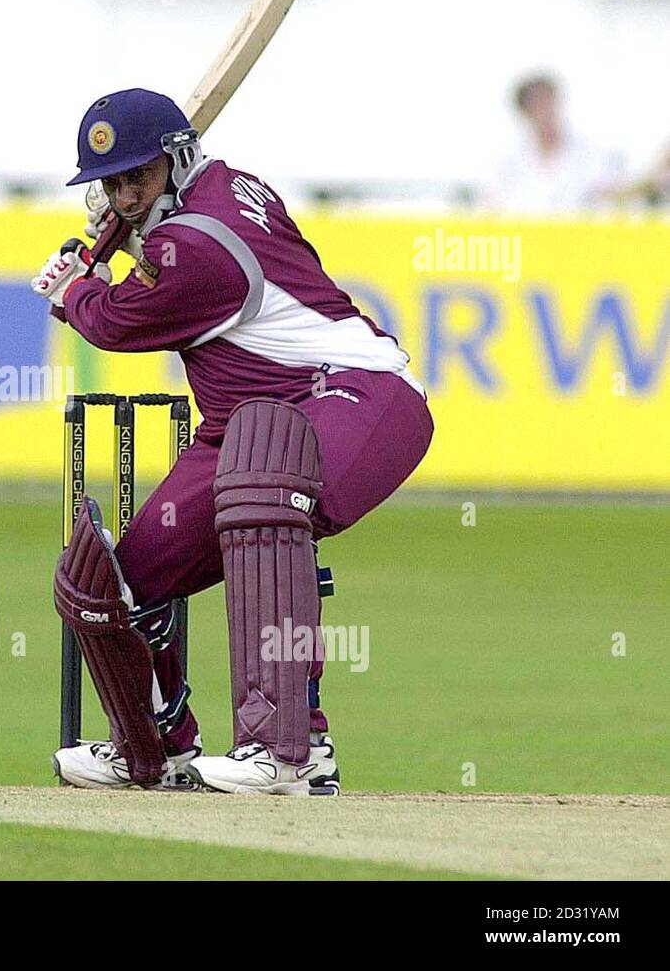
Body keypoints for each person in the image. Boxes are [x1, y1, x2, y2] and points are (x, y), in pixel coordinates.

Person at [33, 89, 433, 794]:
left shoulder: (196, 245)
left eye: (140, 177)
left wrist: (76, 287)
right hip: (244, 425)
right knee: (110, 585)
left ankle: (293, 751)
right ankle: (154, 749)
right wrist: (127, 239)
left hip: (356, 392)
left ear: (178, 159)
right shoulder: (217, 189)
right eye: (113, 183)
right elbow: (160, 256)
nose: (124, 196)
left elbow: (118, 323)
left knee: (268, 498)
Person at [489, 73, 624, 213]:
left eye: (547, 102)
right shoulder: (508, 162)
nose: (544, 111)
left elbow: (612, 197)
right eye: (535, 105)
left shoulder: (594, 154)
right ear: (524, 113)